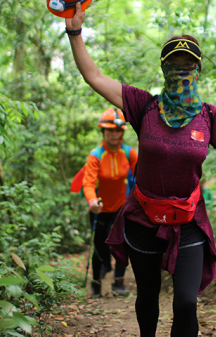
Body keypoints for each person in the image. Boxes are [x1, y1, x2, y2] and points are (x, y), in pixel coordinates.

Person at [65, 2, 216, 336]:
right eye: (174, 64)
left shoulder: (208, 116)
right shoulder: (143, 105)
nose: (181, 70)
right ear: (163, 68)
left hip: (188, 221)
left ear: (197, 68)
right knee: (148, 296)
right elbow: (94, 75)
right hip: (143, 219)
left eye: (187, 64)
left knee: (186, 303)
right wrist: (74, 31)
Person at [81, 107, 138, 298]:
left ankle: (119, 283)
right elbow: (88, 183)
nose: (115, 134)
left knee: (123, 242)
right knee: (100, 244)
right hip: (99, 207)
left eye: (118, 130)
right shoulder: (96, 155)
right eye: (110, 130)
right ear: (103, 132)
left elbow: (140, 179)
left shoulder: (129, 153)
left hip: (122, 204)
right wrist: (92, 201)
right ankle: (96, 285)